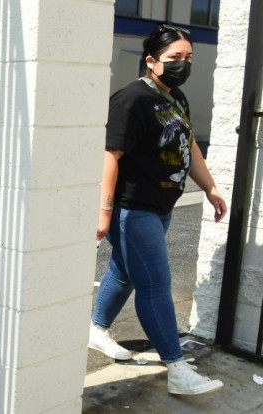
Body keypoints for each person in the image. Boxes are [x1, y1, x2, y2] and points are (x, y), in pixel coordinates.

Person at [88, 24, 227, 395]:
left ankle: (96, 328)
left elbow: (191, 147)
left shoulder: (175, 97)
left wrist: (210, 188)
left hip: (161, 205)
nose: (182, 64)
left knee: (124, 271)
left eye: (188, 58)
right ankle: (177, 369)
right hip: (132, 208)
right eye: (173, 58)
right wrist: (104, 211)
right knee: (155, 283)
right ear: (151, 61)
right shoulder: (132, 98)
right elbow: (110, 155)